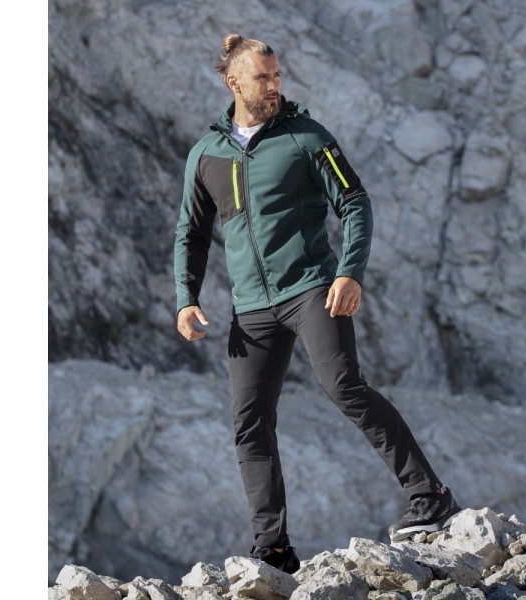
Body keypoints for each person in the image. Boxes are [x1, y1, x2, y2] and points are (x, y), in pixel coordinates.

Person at [174, 33, 461, 574]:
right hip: (250, 309)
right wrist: (185, 298)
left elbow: (354, 201)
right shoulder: (205, 155)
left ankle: (429, 495)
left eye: (278, 76)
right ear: (233, 81)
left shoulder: (307, 137)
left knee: (344, 387)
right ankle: (274, 547)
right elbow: (191, 232)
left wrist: (350, 271)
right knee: (249, 422)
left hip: (310, 288)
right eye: (263, 78)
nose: (274, 86)